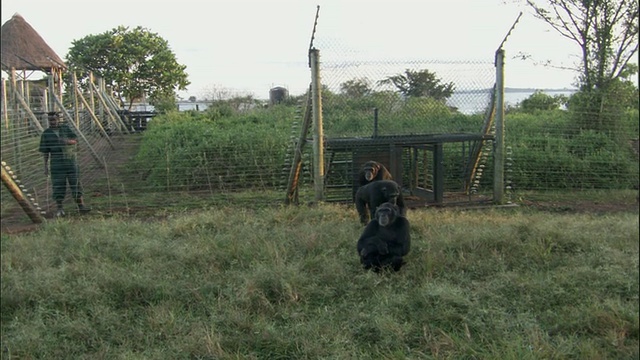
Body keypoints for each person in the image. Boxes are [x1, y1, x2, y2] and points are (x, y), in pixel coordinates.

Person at [39, 111, 91, 217]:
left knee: (75, 183)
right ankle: (60, 208)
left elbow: (75, 139)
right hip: (56, 164)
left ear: (58, 119)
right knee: (58, 185)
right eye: (50, 120)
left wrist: (67, 142)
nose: (52, 122)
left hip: (70, 161)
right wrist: (45, 166)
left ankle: (81, 206)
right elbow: (45, 151)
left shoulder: (65, 129)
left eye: (54, 119)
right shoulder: (46, 134)